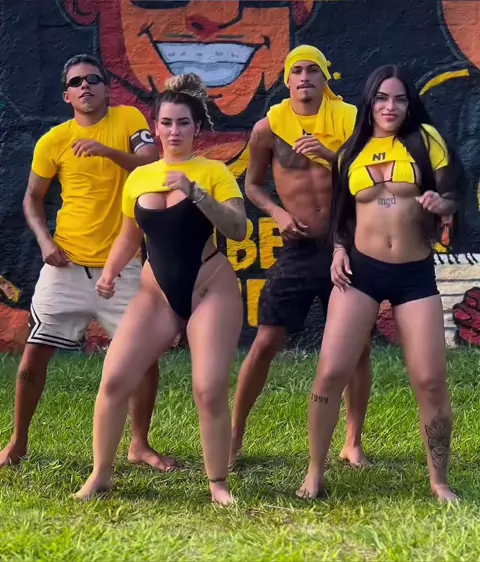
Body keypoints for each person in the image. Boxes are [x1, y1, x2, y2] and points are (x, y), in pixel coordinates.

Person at [74, 73, 247, 506]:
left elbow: (238, 229)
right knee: (115, 379)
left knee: (208, 388)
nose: (174, 131)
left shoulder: (214, 171)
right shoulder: (140, 177)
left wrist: (198, 194)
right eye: (166, 123)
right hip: (157, 294)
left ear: (196, 128)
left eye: (183, 123)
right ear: (156, 127)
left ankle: (218, 484)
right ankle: (101, 474)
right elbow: (129, 236)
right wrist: (110, 273)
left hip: (210, 289)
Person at [0, 54, 176, 473]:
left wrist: (106, 151)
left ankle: (139, 444)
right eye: (76, 82)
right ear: (67, 95)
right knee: (34, 353)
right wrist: (44, 241)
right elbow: (32, 199)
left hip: (123, 266)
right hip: (66, 265)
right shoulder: (53, 141)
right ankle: (17, 442)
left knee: (144, 358)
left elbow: (151, 160)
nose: (85, 86)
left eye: (93, 79)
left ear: (107, 88)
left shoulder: (128, 119)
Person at [297, 64, 464, 503]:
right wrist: (338, 249)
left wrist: (441, 203)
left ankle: (439, 481)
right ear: (369, 103)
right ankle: (315, 473)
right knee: (331, 372)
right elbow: (341, 215)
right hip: (361, 273)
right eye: (382, 99)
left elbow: (455, 191)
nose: (391, 107)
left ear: (409, 104)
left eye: (400, 99)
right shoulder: (350, 152)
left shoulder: (426, 141)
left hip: (414, 274)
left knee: (430, 380)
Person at [229, 45, 372, 469]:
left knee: (359, 347)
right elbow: (252, 185)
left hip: (347, 242)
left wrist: (330, 156)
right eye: (297, 70)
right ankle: (233, 438)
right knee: (265, 341)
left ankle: (352, 442)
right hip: (298, 247)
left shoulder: (350, 120)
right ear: (287, 80)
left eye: (313, 70)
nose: (305, 77)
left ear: (325, 78)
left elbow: (369, 174)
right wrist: (276, 213)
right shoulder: (269, 127)